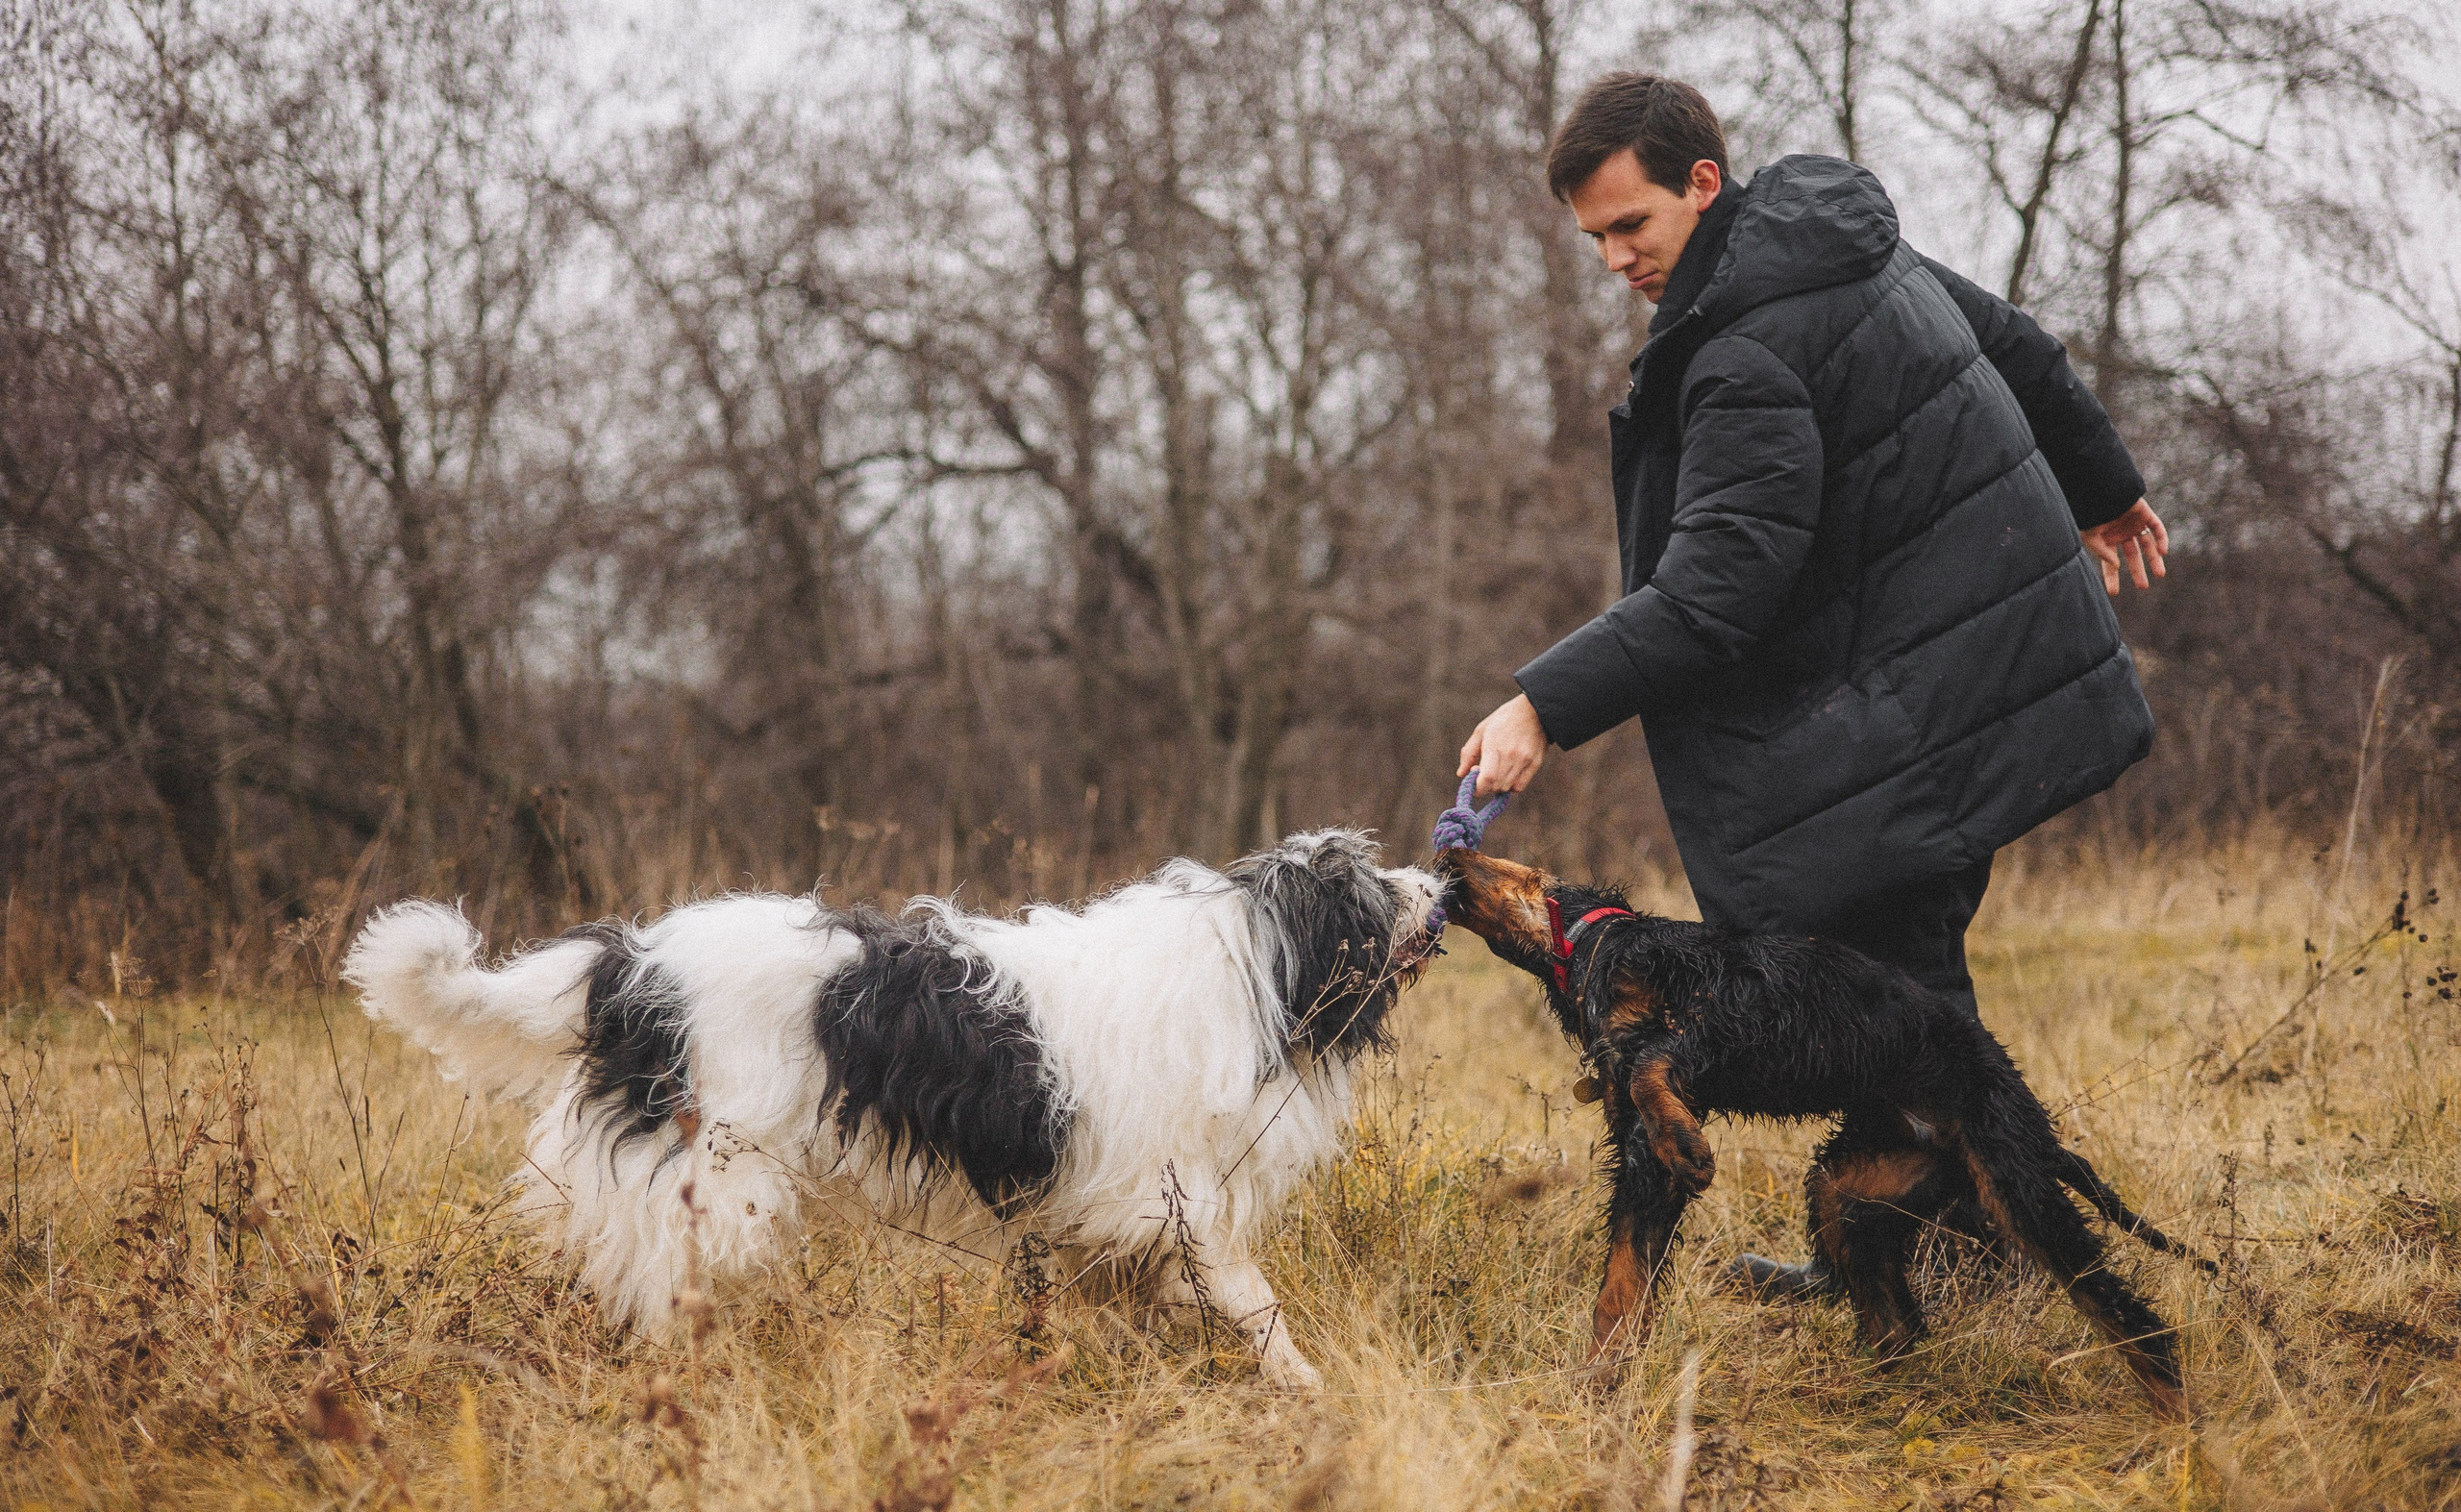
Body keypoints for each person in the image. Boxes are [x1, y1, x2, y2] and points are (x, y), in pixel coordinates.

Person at [1454, 74, 2168, 1296]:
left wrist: (1541, 704)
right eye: (1595, 239)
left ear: (1702, 183)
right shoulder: (1832, 252)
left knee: (1895, 981)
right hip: (1924, 685)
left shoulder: (1744, 347)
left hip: (1910, 707)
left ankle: (1964, 1256)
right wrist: (2104, 485)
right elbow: (2014, 343)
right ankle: (1923, 1248)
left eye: (1630, 226)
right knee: (1889, 982)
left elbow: (1715, 587)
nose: (1615, 259)